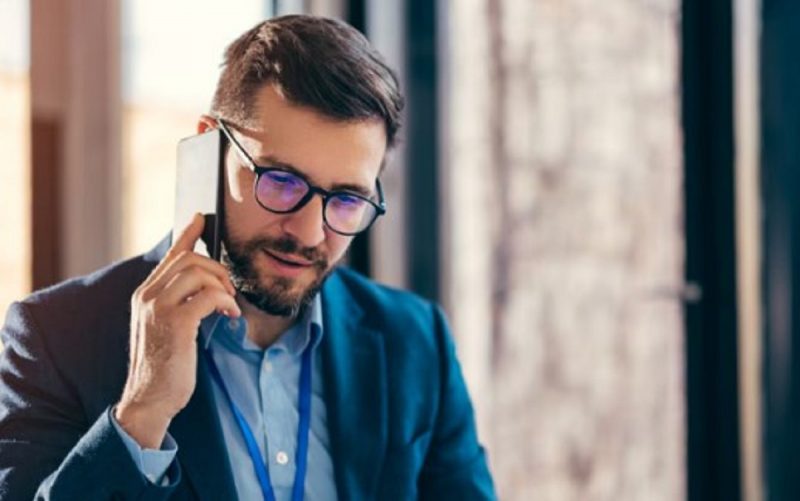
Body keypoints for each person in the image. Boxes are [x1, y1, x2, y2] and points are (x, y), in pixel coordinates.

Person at [0, 15, 496, 500]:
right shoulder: (54, 338)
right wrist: (141, 414)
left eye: (346, 200)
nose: (306, 233)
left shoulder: (414, 340)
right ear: (209, 145)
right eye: (280, 182)